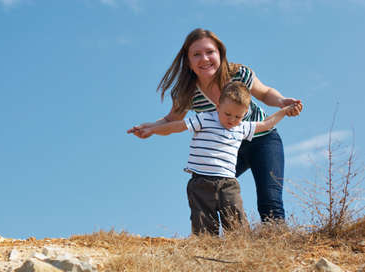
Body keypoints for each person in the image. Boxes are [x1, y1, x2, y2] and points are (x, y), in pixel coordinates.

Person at [127, 28, 303, 223]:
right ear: (188, 61)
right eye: (196, 54)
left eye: (210, 52)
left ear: (220, 54)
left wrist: (281, 101)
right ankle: (212, 238)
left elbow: (265, 92)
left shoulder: (239, 74)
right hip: (225, 148)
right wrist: (150, 128)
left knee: (269, 199)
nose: (205, 59)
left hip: (262, 140)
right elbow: (171, 120)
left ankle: (276, 242)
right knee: (207, 188)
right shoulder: (188, 92)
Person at [131, 81, 300, 235]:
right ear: (217, 106)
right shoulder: (205, 119)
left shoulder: (241, 127)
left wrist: (284, 111)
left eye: (238, 116)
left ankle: (242, 253)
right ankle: (208, 254)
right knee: (204, 226)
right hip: (201, 182)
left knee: (237, 225)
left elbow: (266, 124)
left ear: (245, 114)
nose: (232, 120)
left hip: (228, 184)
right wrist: (153, 129)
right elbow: (177, 126)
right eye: (228, 114)